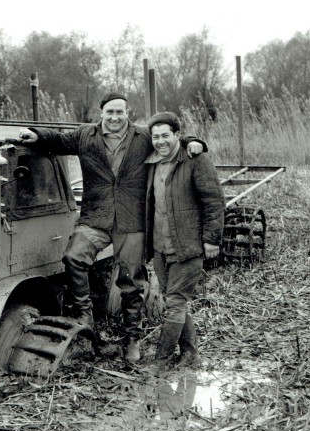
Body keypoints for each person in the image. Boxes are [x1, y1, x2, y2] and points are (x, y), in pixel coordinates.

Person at [19, 93, 201, 362]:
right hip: (97, 217)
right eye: (109, 112)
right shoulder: (85, 136)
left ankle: (132, 339)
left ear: (128, 112)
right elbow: (56, 139)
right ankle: (84, 315)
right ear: (100, 112)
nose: (115, 117)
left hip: (131, 220)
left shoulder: (142, 137)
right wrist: (35, 134)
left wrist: (194, 141)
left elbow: (170, 141)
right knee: (74, 257)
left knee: (131, 281)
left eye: (120, 112)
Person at [144, 112, 225, 370]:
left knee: (175, 303)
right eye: (155, 137)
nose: (160, 141)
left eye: (165, 135)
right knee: (173, 301)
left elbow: (214, 201)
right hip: (160, 247)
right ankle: (190, 354)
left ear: (177, 135)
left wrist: (212, 239)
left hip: (187, 247)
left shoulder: (195, 159)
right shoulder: (152, 163)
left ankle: (162, 360)